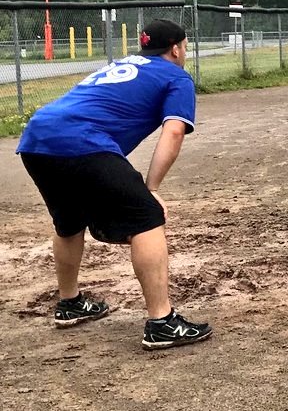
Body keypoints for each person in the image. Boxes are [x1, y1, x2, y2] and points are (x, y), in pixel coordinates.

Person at [16, 19, 212, 350]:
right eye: (184, 47)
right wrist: (151, 188)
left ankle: (70, 303)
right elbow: (174, 131)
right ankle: (162, 323)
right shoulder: (176, 76)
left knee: (69, 221)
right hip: (81, 141)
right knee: (147, 217)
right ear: (176, 49)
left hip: (37, 138)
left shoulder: (122, 64)